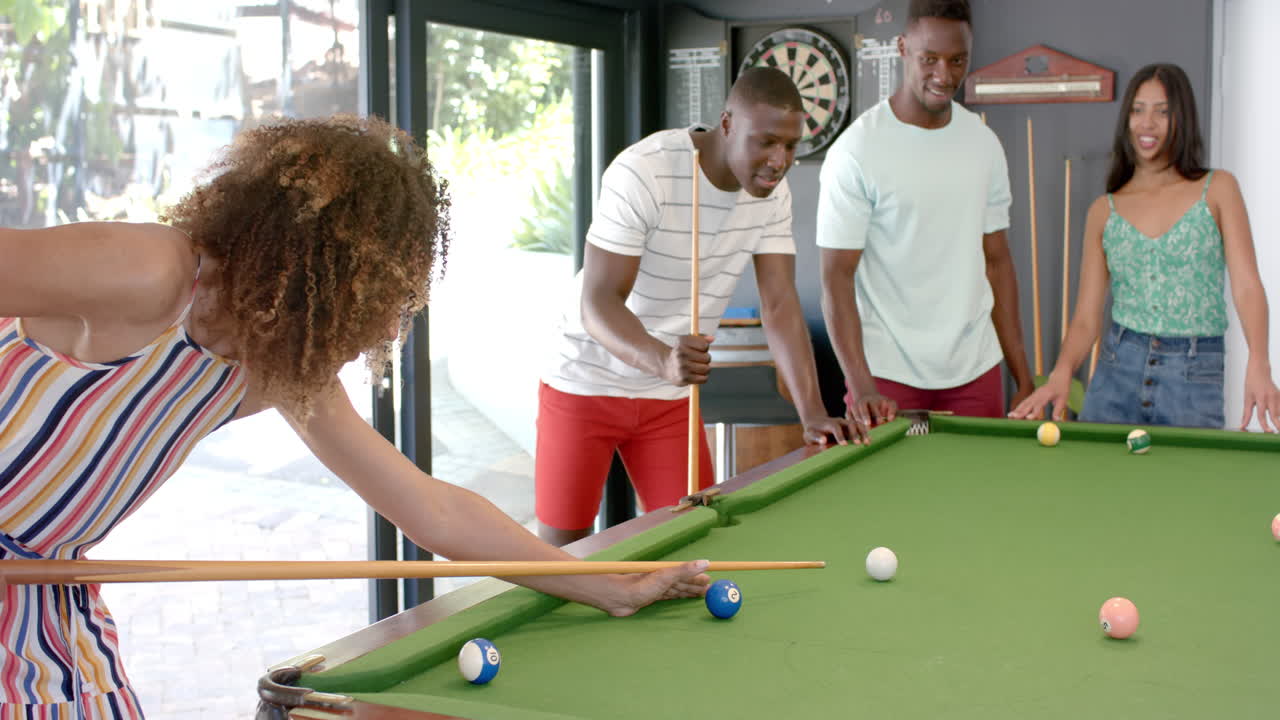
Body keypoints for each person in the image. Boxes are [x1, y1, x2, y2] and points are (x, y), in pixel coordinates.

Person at [0, 115, 711, 718]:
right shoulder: (148, 271)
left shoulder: (272, 361)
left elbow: (430, 508)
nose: (376, 313)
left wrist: (610, 587)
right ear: (309, 257)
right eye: (370, 282)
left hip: (33, 594)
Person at [536, 67, 857, 547]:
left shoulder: (773, 195)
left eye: (790, 146)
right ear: (727, 124)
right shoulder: (645, 170)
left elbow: (780, 301)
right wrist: (661, 359)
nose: (779, 161)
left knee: (693, 543)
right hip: (585, 380)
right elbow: (598, 303)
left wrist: (812, 411)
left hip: (669, 399)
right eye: (766, 141)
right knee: (562, 554)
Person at [1009, 64, 1280, 430]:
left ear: (1181, 118)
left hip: (1193, 378)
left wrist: (1259, 362)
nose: (1147, 123)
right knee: (1099, 484)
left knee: (1185, 485)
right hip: (1117, 372)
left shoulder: (1218, 189)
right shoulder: (1103, 211)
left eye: (1162, 111)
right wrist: (1061, 372)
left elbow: (1247, 287)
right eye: (1137, 109)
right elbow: (1087, 318)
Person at [816, 0, 1034, 427]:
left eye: (957, 60)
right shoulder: (856, 150)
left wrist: (1022, 374)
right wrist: (859, 383)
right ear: (902, 47)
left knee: (979, 495)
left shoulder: (983, 143)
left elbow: (998, 261)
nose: (944, 75)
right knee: (890, 496)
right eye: (929, 59)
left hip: (976, 369)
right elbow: (835, 276)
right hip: (885, 376)